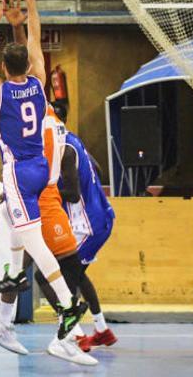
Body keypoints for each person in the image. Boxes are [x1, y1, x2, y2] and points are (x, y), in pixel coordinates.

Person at [0, 0, 90, 365]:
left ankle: (65, 304)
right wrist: (31, 1)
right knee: (14, 224)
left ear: (4, 69)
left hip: (18, 170)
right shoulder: (39, 83)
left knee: (33, 238)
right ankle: (4, 313)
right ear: (27, 65)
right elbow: (36, 40)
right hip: (41, 168)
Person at [61, 129, 117, 351]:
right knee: (78, 274)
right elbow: (99, 170)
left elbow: (73, 195)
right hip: (101, 216)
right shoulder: (74, 139)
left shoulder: (63, 148)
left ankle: (76, 336)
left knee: (59, 275)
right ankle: (102, 330)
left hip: (89, 224)